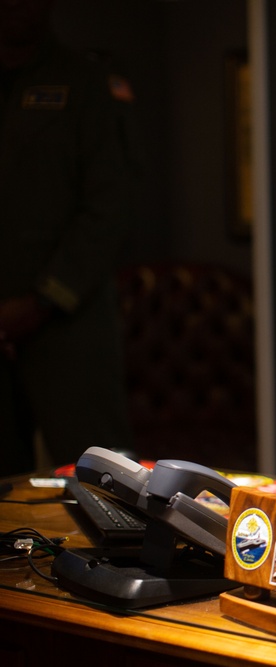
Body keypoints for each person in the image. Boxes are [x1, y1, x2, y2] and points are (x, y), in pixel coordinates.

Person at [0, 0, 135, 475]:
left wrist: (40, 302)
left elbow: (109, 206)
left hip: (67, 321)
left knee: (98, 480)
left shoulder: (84, 82)